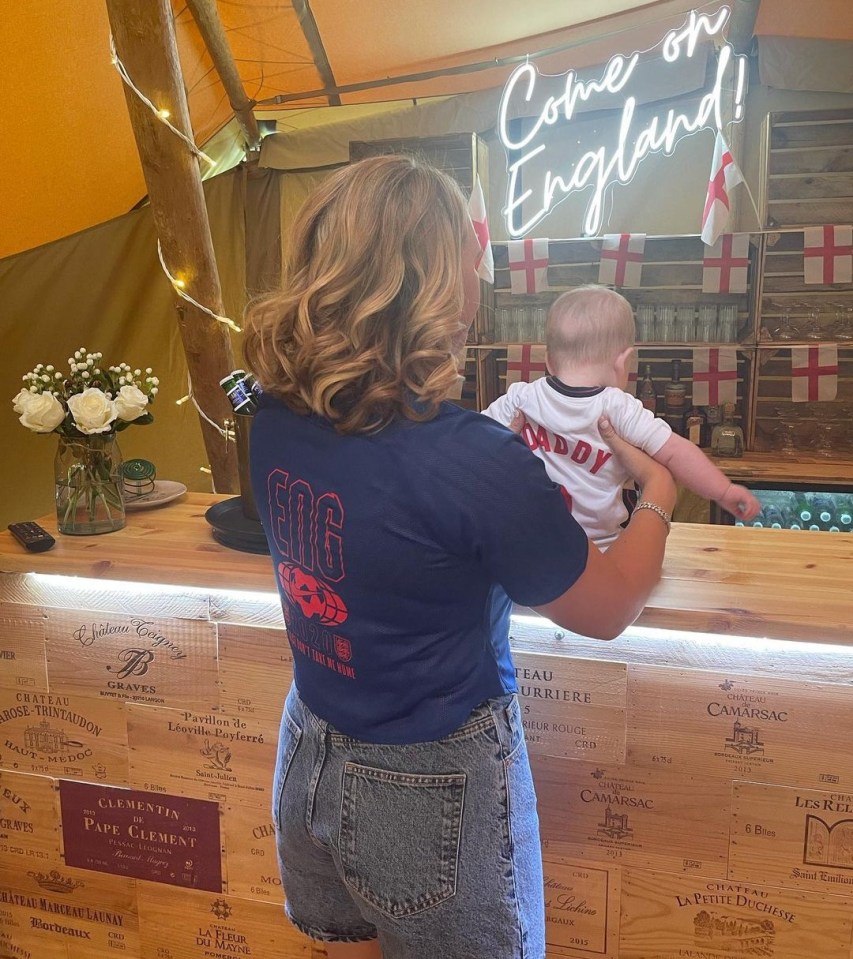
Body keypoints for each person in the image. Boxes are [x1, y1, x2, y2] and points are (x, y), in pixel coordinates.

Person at [243, 155, 676, 959]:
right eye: (470, 258)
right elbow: (608, 606)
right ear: (439, 283)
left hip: (306, 743)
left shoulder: (268, 416)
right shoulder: (470, 458)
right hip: (429, 778)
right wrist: (659, 490)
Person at [483, 285, 760, 547]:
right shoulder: (617, 407)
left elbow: (471, 443)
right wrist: (723, 491)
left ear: (548, 361)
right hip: (601, 547)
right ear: (623, 361)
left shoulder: (521, 398)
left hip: (528, 544)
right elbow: (676, 452)